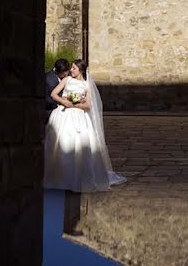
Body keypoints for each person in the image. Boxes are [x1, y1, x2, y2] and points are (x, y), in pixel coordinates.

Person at [43, 59, 126, 192]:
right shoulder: (67, 80)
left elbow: (88, 105)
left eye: (74, 68)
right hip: (63, 115)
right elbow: (53, 94)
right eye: (71, 68)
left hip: (79, 117)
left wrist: (76, 104)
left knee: (81, 146)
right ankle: (60, 177)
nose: (71, 70)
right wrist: (64, 102)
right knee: (62, 143)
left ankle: (78, 178)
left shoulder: (86, 85)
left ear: (80, 70)